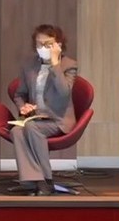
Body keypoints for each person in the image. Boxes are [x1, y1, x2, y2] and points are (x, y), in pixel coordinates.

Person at [9, 24, 78, 196]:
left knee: (31, 128)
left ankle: (46, 180)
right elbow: (19, 94)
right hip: (36, 118)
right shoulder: (29, 65)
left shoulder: (69, 65)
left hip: (58, 120)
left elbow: (63, 93)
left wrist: (55, 64)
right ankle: (31, 180)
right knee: (16, 131)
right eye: (39, 44)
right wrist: (23, 106)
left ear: (58, 45)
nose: (42, 48)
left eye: (48, 44)